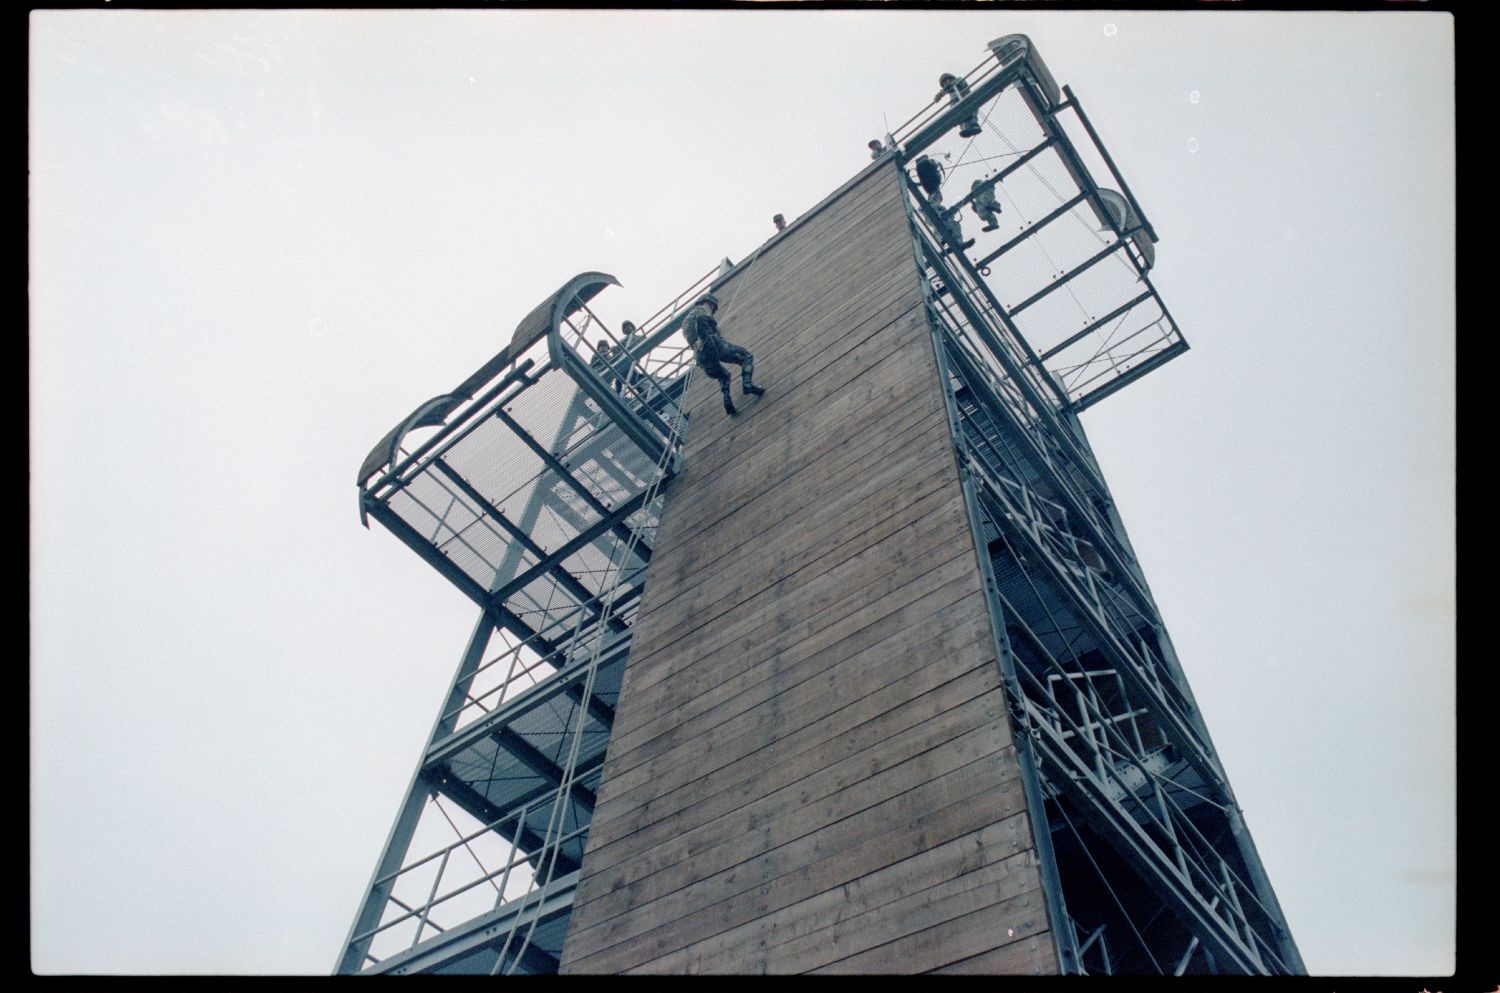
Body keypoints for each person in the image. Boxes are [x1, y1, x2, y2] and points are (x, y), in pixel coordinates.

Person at [682, 292, 764, 416]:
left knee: (723, 376)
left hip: (700, 357)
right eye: (712, 306)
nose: (712, 309)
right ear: (708, 303)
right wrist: (715, 330)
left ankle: (727, 399)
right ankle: (747, 384)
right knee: (746, 357)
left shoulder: (685, 323)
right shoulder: (701, 310)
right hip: (712, 343)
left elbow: (692, 338)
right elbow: (703, 321)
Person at [937, 72, 983, 138]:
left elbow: (954, 85)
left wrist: (942, 93)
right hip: (960, 109)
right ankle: (968, 130)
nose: (944, 85)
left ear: (950, 78)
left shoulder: (958, 80)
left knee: (970, 117)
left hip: (967, 103)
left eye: (944, 82)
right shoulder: (952, 93)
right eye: (943, 84)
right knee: (962, 120)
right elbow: (952, 100)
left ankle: (974, 126)